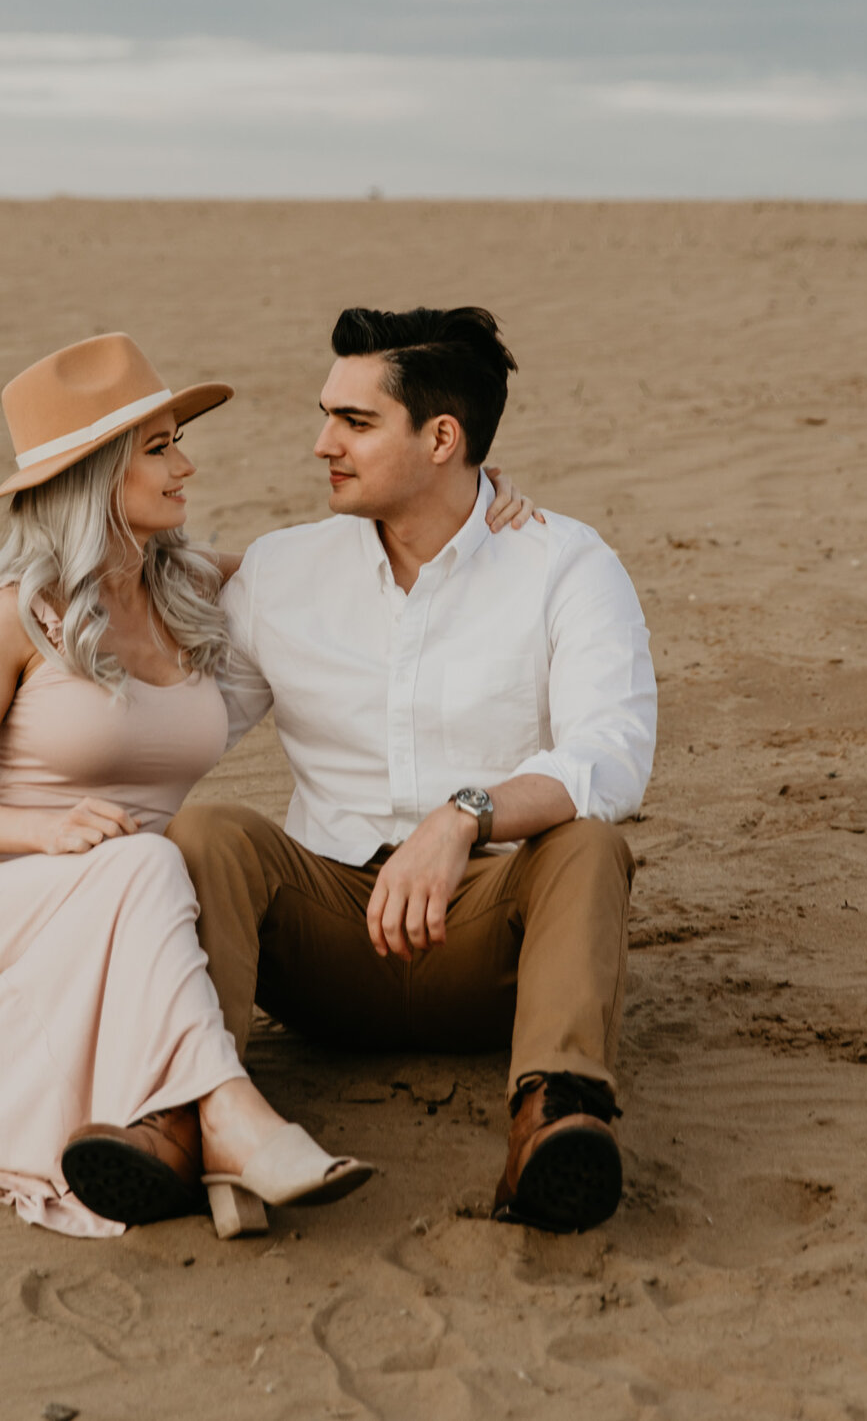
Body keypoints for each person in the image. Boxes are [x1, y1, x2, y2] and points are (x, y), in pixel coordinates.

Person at [0, 332, 536, 1238]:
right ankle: (233, 1120)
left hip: (126, 915)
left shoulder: (192, 586)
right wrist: (45, 834)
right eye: (159, 449)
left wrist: (473, 497)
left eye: (177, 443)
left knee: (154, 867)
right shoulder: (16, 614)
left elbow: (349, 560)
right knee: (155, 860)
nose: (186, 466)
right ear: (94, 475)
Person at [169, 306, 658, 1234]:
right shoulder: (283, 571)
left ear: (443, 438)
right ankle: (181, 1116)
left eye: (355, 422)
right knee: (208, 832)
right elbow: (184, 734)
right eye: (327, 416)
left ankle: (554, 1124)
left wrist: (463, 816)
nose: (323, 444)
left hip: (487, 945)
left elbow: (611, 754)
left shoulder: (563, 564)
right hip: (322, 945)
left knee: (589, 846)